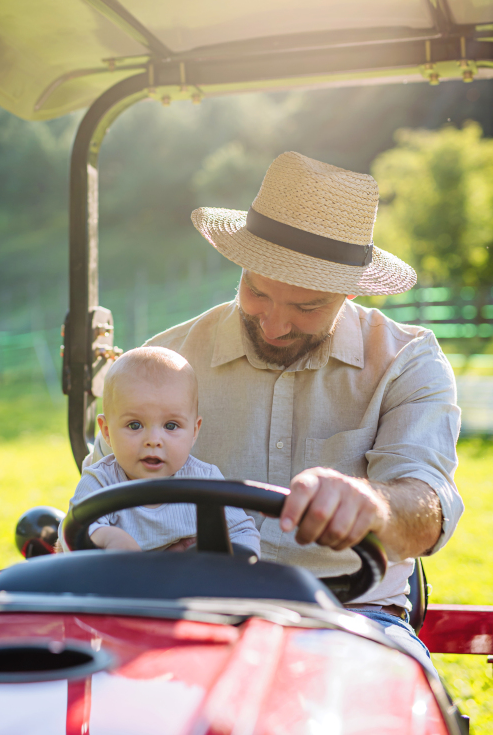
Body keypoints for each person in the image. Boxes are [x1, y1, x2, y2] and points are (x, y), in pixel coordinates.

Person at [92, 150, 462, 671]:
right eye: (257, 291)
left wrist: (372, 507)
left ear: (350, 289)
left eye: (307, 307)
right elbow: (100, 491)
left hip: (351, 612)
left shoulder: (406, 361)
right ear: (240, 264)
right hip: (183, 608)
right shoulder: (167, 362)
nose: (274, 325)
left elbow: (427, 503)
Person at [60, 345, 260, 556]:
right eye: (135, 425)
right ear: (107, 432)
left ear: (194, 431)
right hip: (119, 584)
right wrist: (107, 536)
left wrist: (236, 561)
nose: (153, 441)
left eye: (171, 426)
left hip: (188, 584)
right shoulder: (101, 481)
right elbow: (73, 533)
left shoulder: (205, 482)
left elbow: (242, 531)